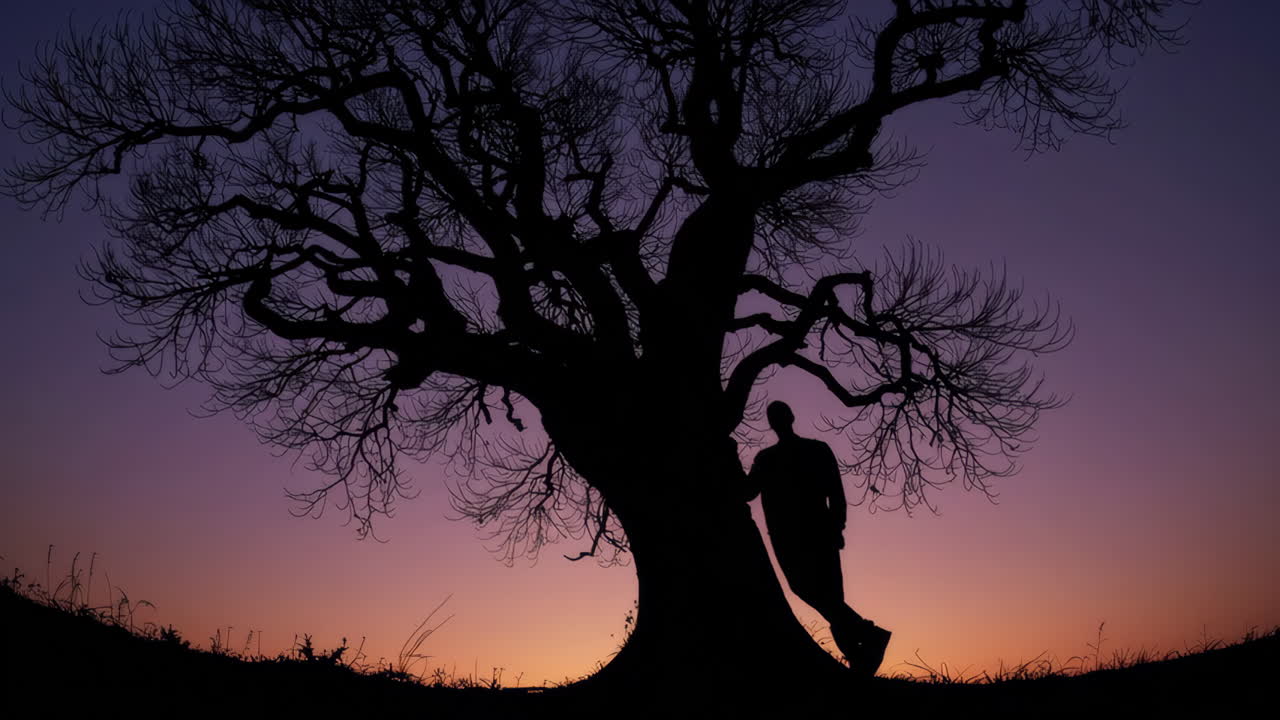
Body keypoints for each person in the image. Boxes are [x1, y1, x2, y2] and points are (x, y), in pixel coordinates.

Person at [744, 400, 891, 676]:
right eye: (774, 416)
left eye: (778, 415)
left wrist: (837, 527)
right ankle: (865, 646)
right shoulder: (774, 457)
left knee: (826, 595)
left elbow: (835, 492)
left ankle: (863, 652)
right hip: (798, 536)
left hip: (807, 535)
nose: (777, 420)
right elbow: (747, 491)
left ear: (787, 417)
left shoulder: (803, 452)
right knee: (821, 594)